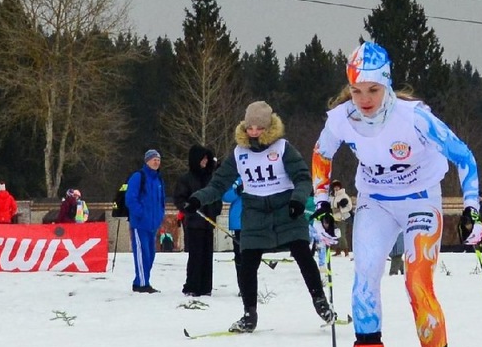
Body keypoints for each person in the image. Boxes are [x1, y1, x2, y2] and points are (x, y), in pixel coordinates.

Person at [310, 42, 481, 347]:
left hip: (420, 200)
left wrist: (471, 207)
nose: (364, 98)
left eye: (372, 90)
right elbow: (321, 155)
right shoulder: (342, 118)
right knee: (365, 275)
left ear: (386, 85)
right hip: (376, 202)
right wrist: (320, 206)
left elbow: (463, 155)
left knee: (417, 281)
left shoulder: (414, 117)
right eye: (356, 90)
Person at [185, 101, 336, 332]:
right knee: (248, 262)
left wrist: (297, 199)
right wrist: (197, 199)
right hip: (255, 212)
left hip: (286, 209)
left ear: (269, 127)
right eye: (250, 127)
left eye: (259, 127)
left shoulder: (283, 148)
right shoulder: (239, 153)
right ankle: (249, 314)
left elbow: (303, 177)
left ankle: (320, 303)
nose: (254, 132)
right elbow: (218, 184)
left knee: (303, 254)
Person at [175, 145, 221, 297]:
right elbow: (180, 198)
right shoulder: (186, 179)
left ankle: (206, 287)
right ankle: (192, 286)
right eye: (202, 158)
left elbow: (216, 197)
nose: (205, 161)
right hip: (194, 223)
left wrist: (215, 210)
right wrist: (187, 207)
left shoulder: (211, 178)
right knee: (195, 256)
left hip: (208, 223)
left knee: (207, 255)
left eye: (207, 158)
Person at [126, 149, 166, 293]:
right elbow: (131, 198)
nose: (156, 162)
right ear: (147, 161)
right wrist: (140, 214)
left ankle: (142, 280)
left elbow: (161, 200)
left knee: (150, 255)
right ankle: (142, 283)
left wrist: (160, 215)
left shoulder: (159, 179)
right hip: (140, 224)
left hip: (153, 224)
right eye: (154, 159)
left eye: (158, 160)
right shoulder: (138, 177)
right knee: (142, 254)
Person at [329, 180, 354, 257]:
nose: (336, 188)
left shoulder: (344, 195)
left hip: (341, 218)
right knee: (335, 235)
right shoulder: (332, 196)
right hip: (333, 217)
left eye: (337, 186)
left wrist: (340, 209)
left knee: (342, 235)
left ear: (340, 187)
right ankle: (338, 250)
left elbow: (349, 207)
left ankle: (346, 250)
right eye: (335, 187)